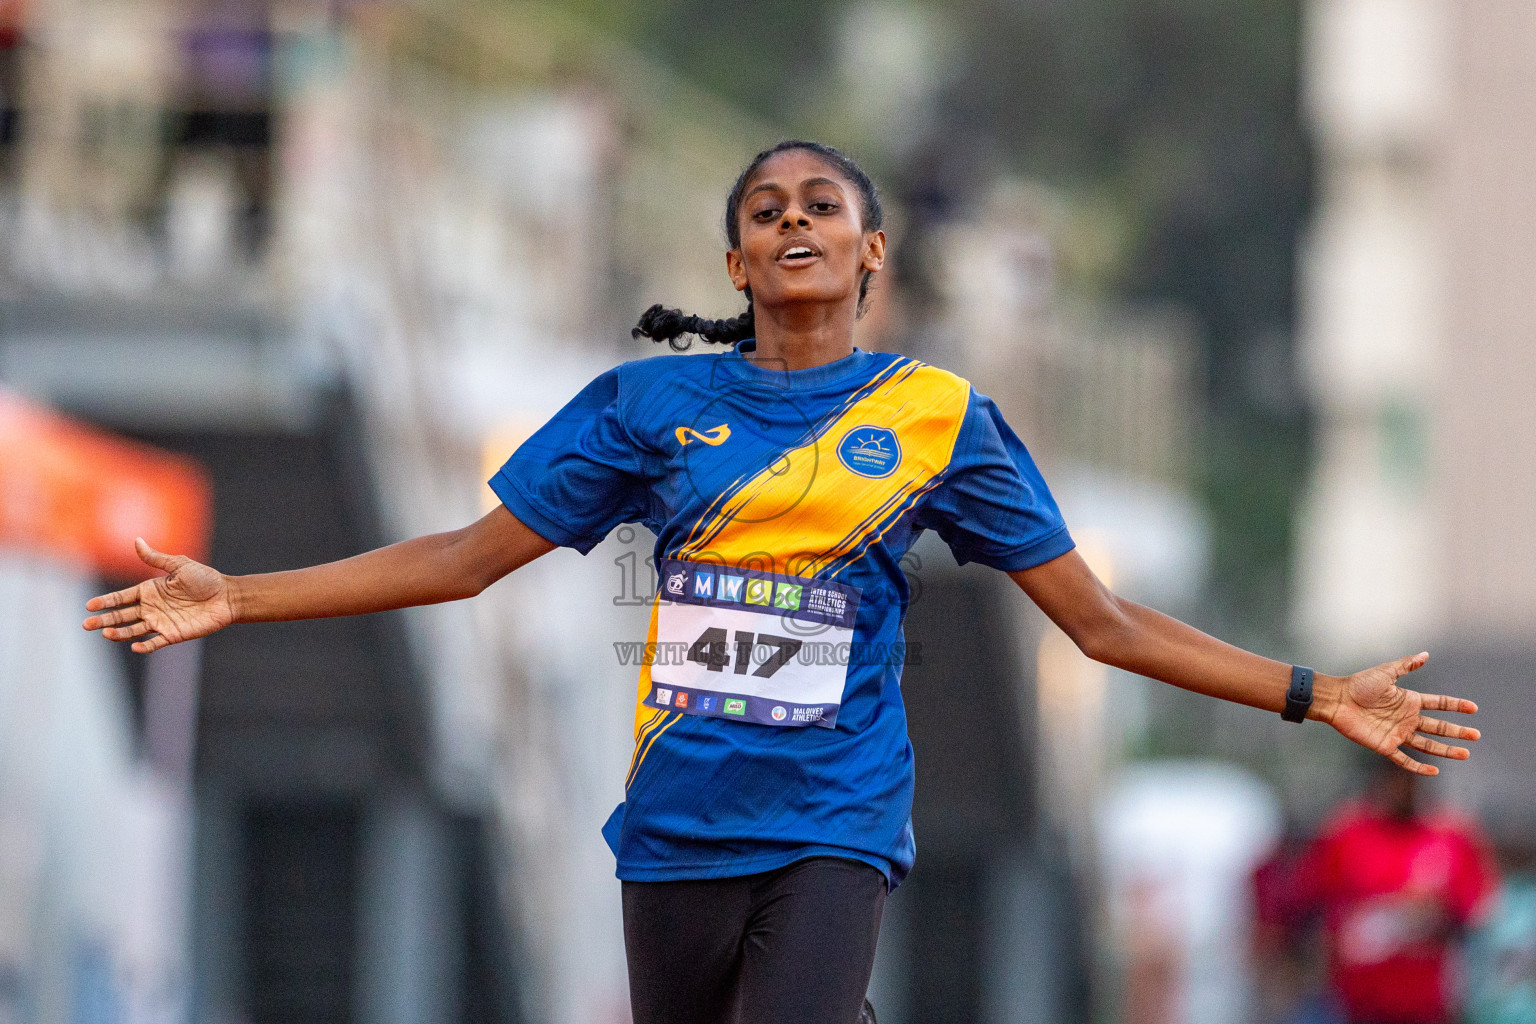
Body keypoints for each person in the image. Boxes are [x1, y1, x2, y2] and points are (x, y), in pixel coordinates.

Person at [81, 140, 1482, 1024]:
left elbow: (1100, 624)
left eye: (824, 203)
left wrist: (1312, 694)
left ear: (873, 251)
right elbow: (460, 559)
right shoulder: (644, 408)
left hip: (837, 823)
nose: (793, 218)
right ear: (738, 259)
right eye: (765, 208)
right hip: (678, 825)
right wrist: (240, 596)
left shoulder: (941, 418)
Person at [1295, 759, 1497, 1024]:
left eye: (1409, 777)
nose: (1401, 787)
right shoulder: (1345, 834)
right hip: (1355, 1003)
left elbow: (1476, 913)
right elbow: (1306, 902)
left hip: (1426, 1003)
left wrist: (1426, 916)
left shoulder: (1451, 836)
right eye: (1394, 776)